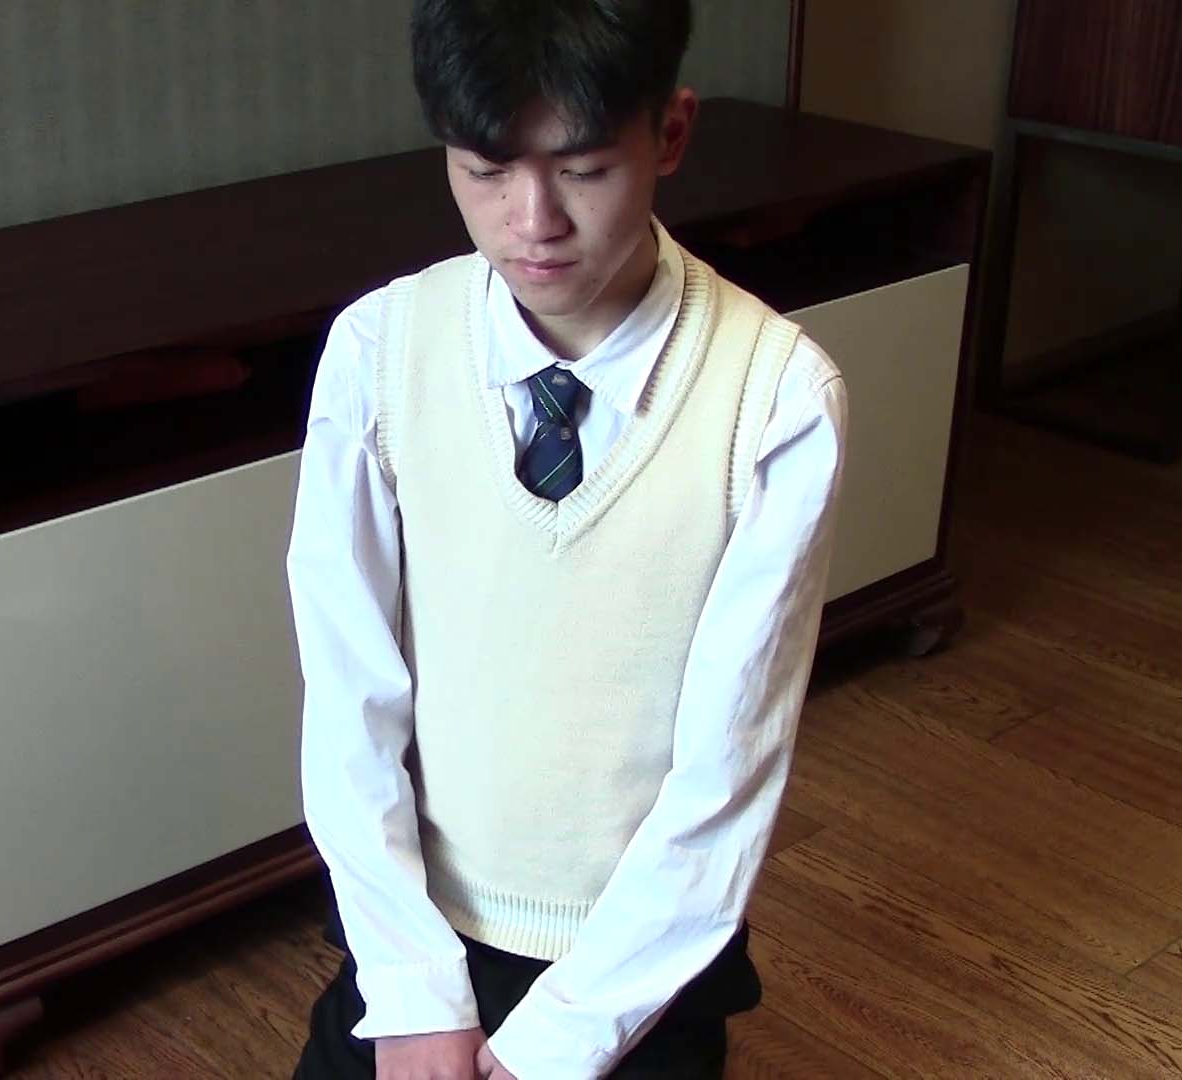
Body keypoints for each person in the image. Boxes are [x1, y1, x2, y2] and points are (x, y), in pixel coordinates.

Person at [284, 2, 849, 1077]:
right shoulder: (379, 350)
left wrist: (563, 1038)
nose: (531, 221)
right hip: (422, 929)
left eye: (583, 168)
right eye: (485, 169)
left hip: (638, 958)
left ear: (670, 133)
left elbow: (729, 767)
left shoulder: (776, 398)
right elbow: (350, 691)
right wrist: (411, 988)